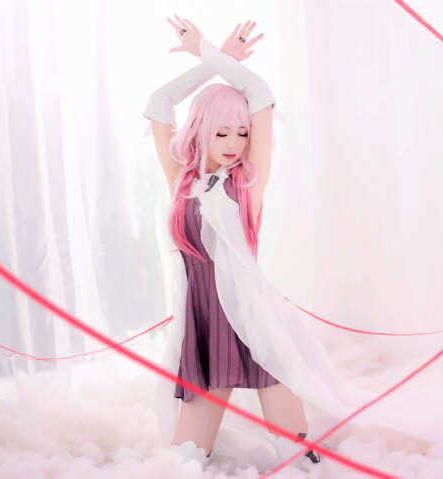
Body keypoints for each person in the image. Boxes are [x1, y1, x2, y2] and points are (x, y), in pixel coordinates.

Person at [143, 16, 322, 469]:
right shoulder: (181, 181)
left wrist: (208, 50)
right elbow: (160, 101)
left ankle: (300, 451)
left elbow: (259, 93)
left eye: (242, 132)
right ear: (199, 129)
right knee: (185, 460)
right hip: (203, 319)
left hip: (250, 313)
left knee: (297, 458)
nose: (235, 143)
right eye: (222, 132)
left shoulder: (248, 182)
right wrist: (214, 61)